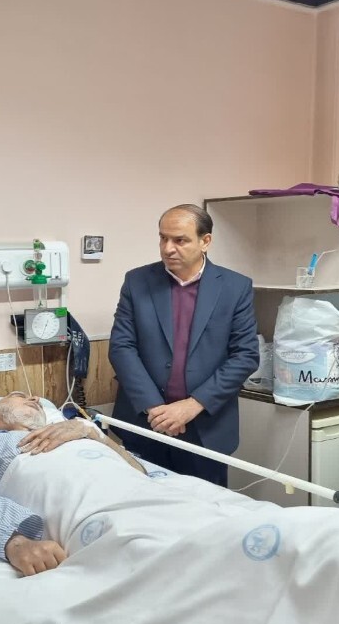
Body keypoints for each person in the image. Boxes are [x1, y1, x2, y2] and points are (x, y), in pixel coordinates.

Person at [108, 204, 258, 486]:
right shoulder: (137, 282)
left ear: (205, 241)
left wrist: (193, 404)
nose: (168, 248)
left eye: (180, 240)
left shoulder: (235, 287)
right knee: (143, 504)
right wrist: (154, 408)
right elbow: (121, 347)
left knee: (206, 508)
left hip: (206, 427)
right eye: (163, 238)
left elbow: (245, 355)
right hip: (145, 423)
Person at [0, 392, 145, 577]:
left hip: (142, 492)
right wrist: (16, 543)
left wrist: (94, 434)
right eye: (20, 396)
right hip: (100, 513)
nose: (35, 399)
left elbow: (141, 473)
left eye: (35, 399)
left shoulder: (77, 430)